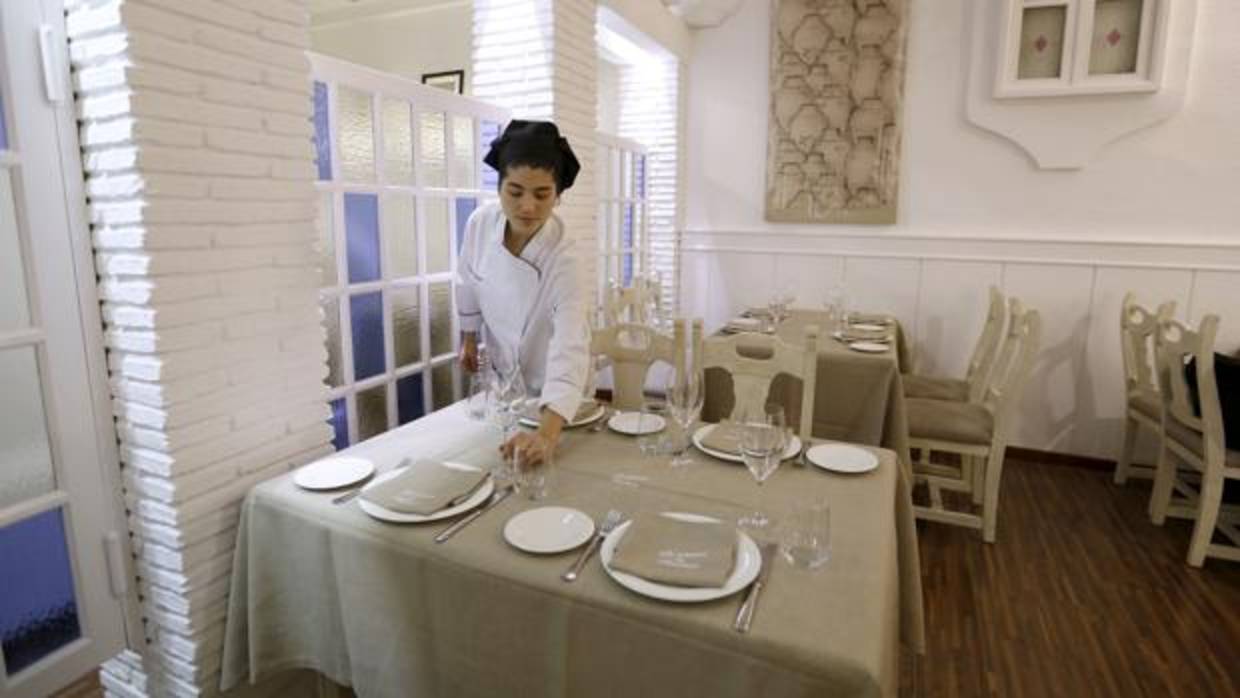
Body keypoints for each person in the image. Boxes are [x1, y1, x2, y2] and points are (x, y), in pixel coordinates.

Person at [456, 120, 590, 468]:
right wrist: (469, 337)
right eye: (514, 192)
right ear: (499, 187)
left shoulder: (565, 258)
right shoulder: (480, 223)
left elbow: (570, 343)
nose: (527, 206)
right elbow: (467, 279)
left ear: (558, 194)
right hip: (504, 380)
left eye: (542, 194)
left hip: (555, 393)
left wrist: (547, 435)